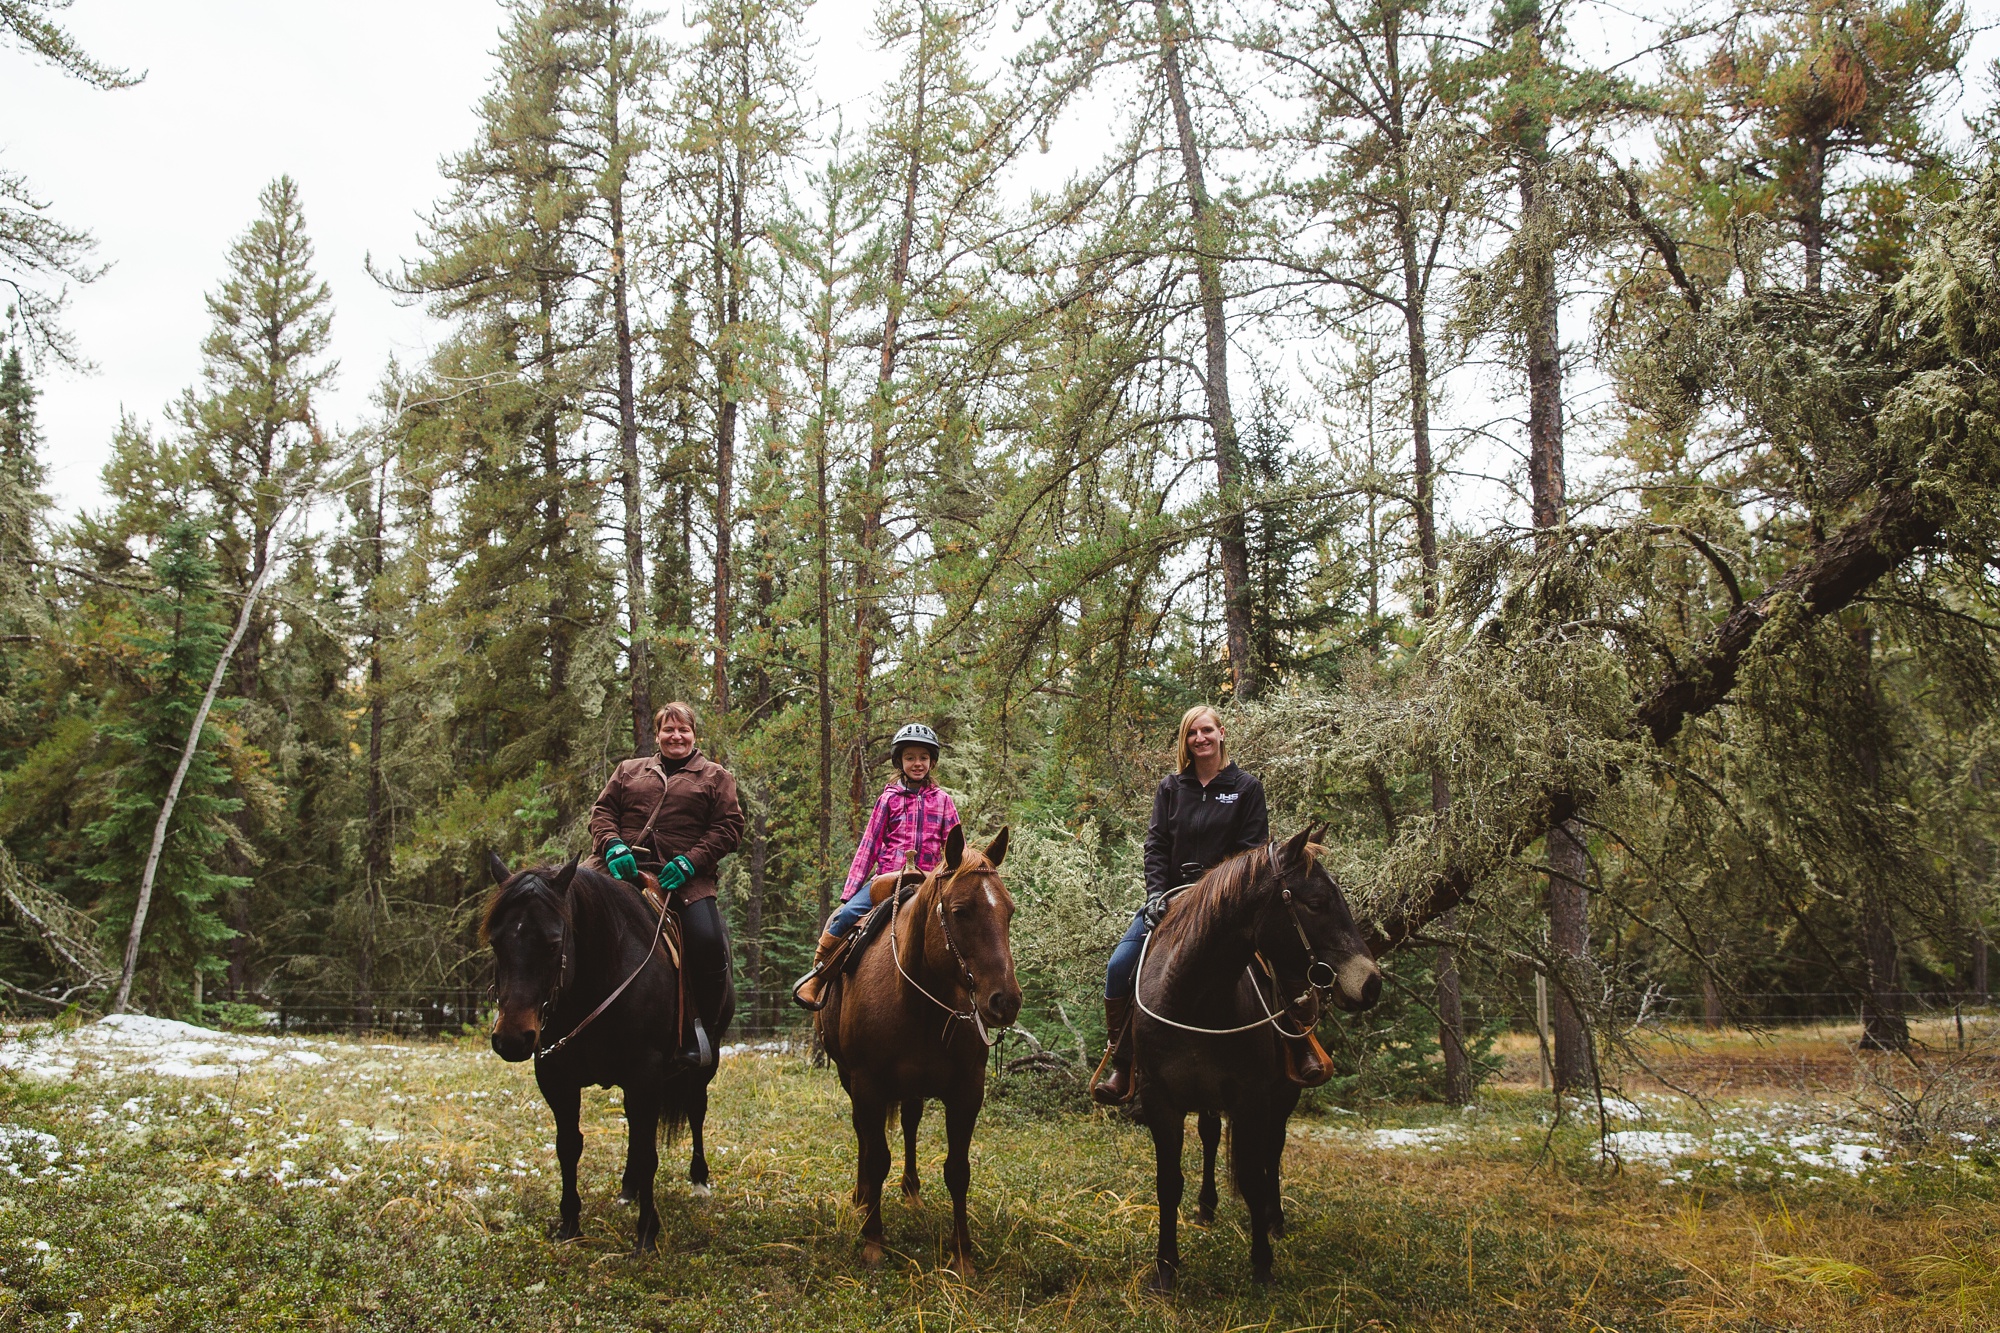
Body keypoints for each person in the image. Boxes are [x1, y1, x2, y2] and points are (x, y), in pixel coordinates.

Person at [1091, 705, 1269, 1105]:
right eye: (1192, 733)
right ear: (1185, 741)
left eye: (1207, 731)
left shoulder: (1246, 787)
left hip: (1229, 905)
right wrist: (1156, 893)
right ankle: (1124, 1063)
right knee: (1119, 966)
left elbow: (1252, 849)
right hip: (1170, 900)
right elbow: (1156, 845)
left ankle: (1298, 1046)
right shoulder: (1172, 787)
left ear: (1222, 733)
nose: (1200, 739)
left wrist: (1215, 887)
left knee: (1283, 956)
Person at [589, 701, 744, 1068]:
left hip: (683, 880)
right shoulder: (628, 771)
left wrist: (692, 861)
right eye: (668, 730)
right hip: (616, 871)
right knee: (565, 917)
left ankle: (698, 1031)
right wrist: (612, 845)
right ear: (656, 734)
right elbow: (602, 813)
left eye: (683, 730)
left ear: (694, 734)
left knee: (707, 942)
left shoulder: (715, 776)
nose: (676, 736)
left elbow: (729, 828)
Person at [793, 722, 961, 1010]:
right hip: (889, 879)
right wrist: (850, 892)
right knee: (845, 916)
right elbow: (868, 846)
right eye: (910, 757)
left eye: (923, 757)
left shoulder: (944, 801)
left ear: (932, 761)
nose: (917, 763)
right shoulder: (889, 800)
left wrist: (957, 882)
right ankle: (817, 979)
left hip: (929, 883)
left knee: (963, 927)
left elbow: (957, 850)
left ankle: (971, 991)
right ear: (900, 761)